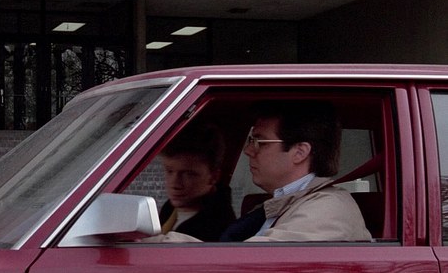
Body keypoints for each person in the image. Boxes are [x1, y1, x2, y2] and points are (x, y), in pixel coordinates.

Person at [220, 100, 371, 242]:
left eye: (260, 142)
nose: (248, 150)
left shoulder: (327, 210)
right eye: (251, 141)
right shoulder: (279, 205)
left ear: (300, 152)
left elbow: (251, 257)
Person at [146, 123, 235, 242]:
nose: (175, 184)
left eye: (188, 174)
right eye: (169, 171)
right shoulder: (170, 208)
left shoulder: (216, 228)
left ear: (213, 177)